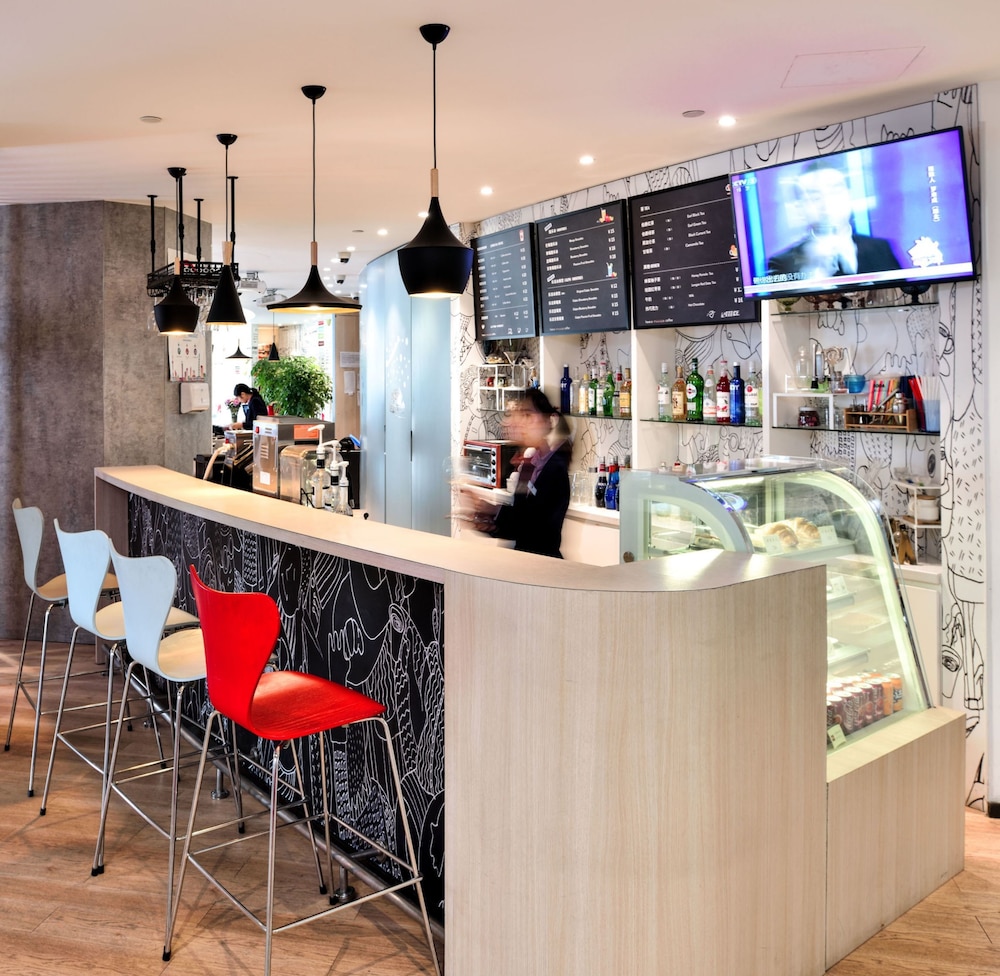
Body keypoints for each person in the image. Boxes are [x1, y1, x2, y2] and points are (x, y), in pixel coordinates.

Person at [461, 389, 572, 559]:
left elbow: (533, 526)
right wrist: (486, 517)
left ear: (548, 420)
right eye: (519, 416)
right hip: (524, 560)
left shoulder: (555, 468)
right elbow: (518, 517)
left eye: (527, 415)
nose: (521, 423)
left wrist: (492, 513)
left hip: (544, 564)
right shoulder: (529, 464)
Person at [766, 160, 902, 281]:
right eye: (815, 197)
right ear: (800, 207)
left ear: (850, 195)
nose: (827, 203)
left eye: (835, 192)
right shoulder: (781, 263)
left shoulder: (881, 248)